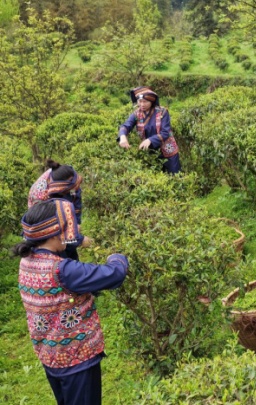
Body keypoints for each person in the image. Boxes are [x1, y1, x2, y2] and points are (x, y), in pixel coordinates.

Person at [15, 199, 128, 405]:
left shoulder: (27, 260)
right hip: (77, 361)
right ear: (54, 234)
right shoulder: (62, 270)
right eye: (68, 228)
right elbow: (114, 274)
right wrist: (117, 257)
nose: (71, 234)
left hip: (50, 356)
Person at [28, 160, 92, 261]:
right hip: (46, 231)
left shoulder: (66, 173)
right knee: (60, 256)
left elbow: (76, 197)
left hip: (59, 202)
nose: (73, 189)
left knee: (70, 252)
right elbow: (56, 226)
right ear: (60, 189)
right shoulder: (41, 196)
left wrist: (76, 223)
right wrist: (79, 239)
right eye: (69, 189)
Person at [117, 86, 182, 174]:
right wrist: (122, 136)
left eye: (145, 102)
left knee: (174, 175)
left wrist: (150, 140)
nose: (142, 104)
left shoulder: (162, 112)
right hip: (150, 152)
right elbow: (125, 126)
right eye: (140, 101)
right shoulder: (136, 114)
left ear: (151, 101)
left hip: (168, 151)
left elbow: (165, 132)